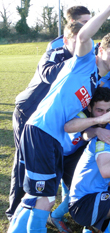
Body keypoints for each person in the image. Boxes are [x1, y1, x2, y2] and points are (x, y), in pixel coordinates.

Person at [0, 0, 110, 233]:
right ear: (101, 51)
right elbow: (83, 36)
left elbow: (71, 124)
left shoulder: (95, 82)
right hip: (39, 132)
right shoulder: (83, 62)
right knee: (44, 200)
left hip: (50, 137)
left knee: (36, 199)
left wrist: (97, 120)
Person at [5, 21, 83, 222]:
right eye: (82, 24)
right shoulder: (58, 52)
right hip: (28, 110)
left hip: (48, 117)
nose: (85, 32)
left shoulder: (86, 53)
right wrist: (73, 63)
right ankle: (15, 211)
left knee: (59, 158)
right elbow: (47, 74)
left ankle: (52, 208)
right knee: (23, 161)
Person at [47, 87, 110, 233]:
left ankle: (87, 221)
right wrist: (98, 129)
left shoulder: (109, 114)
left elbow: (87, 135)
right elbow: (79, 131)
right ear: (89, 107)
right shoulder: (80, 114)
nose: (105, 115)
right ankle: (55, 216)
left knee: (82, 185)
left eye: (108, 110)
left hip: (74, 153)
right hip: (56, 155)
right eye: (99, 110)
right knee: (78, 189)